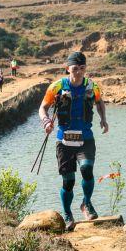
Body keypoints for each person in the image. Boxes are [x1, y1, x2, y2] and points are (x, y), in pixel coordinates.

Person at [38, 51, 109, 231]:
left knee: (86, 168)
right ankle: (67, 213)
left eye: (82, 68)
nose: (78, 72)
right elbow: (43, 107)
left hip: (86, 138)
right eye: (75, 68)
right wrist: (46, 121)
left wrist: (103, 119)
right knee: (68, 181)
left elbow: (100, 103)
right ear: (67, 68)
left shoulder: (92, 86)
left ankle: (86, 203)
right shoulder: (56, 87)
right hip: (64, 141)